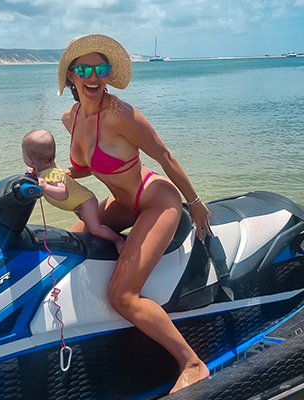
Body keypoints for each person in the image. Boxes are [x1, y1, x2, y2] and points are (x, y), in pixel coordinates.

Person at [58, 34, 211, 392]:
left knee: (122, 295)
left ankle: (192, 363)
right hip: (123, 205)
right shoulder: (72, 117)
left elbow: (165, 157)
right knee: (71, 241)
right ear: (71, 75)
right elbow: (87, 166)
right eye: (84, 69)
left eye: (101, 68)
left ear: (109, 74)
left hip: (156, 199)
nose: (93, 76)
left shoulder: (123, 115)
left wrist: (195, 201)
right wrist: (59, 175)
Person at [22, 129, 125, 253]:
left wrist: (45, 187)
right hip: (77, 203)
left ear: (31, 160)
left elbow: (62, 192)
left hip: (85, 201)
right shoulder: (51, 165)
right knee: (90, 224)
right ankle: (107, 236)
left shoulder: (51, 175)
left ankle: (118, 240)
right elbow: (47, 164)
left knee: (95, 229)